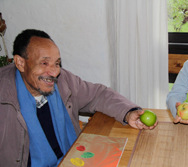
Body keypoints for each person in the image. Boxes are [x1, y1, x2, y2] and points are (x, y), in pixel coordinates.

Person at [0, 29, 157, 167]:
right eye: (44, 63)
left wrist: (128, 112)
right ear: (20, 63)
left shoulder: (63, 80)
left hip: (72, 159)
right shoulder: (4, 95)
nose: (54, 73)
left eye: (57, 63)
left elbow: (99, 94)